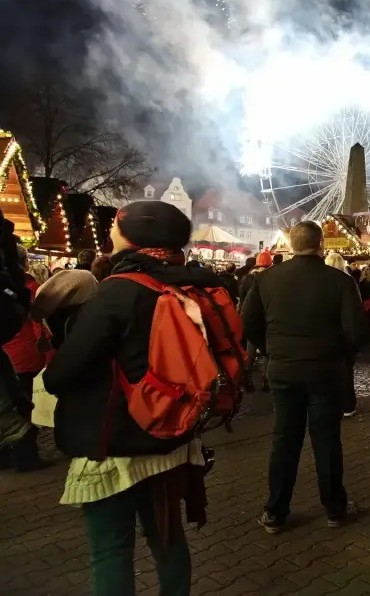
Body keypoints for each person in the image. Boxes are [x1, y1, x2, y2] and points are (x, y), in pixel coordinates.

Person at [41, 201, 214, 596]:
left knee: (111, 549)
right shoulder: (192, 284)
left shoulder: (119, 292)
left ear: (136, 235)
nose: (111, 233)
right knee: (169, 543)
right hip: (173, 435)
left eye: (117, 226)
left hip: (116, 441)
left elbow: (62, 373)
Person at [242, 221, 364, 533]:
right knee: (326, 442)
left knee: (284, 440)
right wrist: (339, 357)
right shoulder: (340, 281)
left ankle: (276, 510)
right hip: (325, 371)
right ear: (321, 244)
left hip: (283, 370)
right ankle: (335, 508)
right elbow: (355, 331)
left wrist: (272, 349)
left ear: (292, 245)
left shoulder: (267, 279)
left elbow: (247, 323)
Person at [0, 245, 51, 471]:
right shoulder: (26, 288)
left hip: (11, 351)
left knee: (12, 402)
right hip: (25, 352)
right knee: (21, 405)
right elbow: (37, 320)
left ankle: (8, 456)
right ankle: (26, 456)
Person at [325, 251, 360, 416]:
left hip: (326, 333)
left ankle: (331, 403)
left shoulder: (320, 282)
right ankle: (347, 405)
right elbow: (355, 309)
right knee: (346, 371)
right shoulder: (348, 282)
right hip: (344, 333)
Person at [239, 251, 273, 391]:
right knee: (266, 351)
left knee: (250, 349)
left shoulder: (247, 279)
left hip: (251, 318)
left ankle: (246, 379)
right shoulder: (271, 278)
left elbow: (241, 297)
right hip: (266, 319)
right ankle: (266, 380)